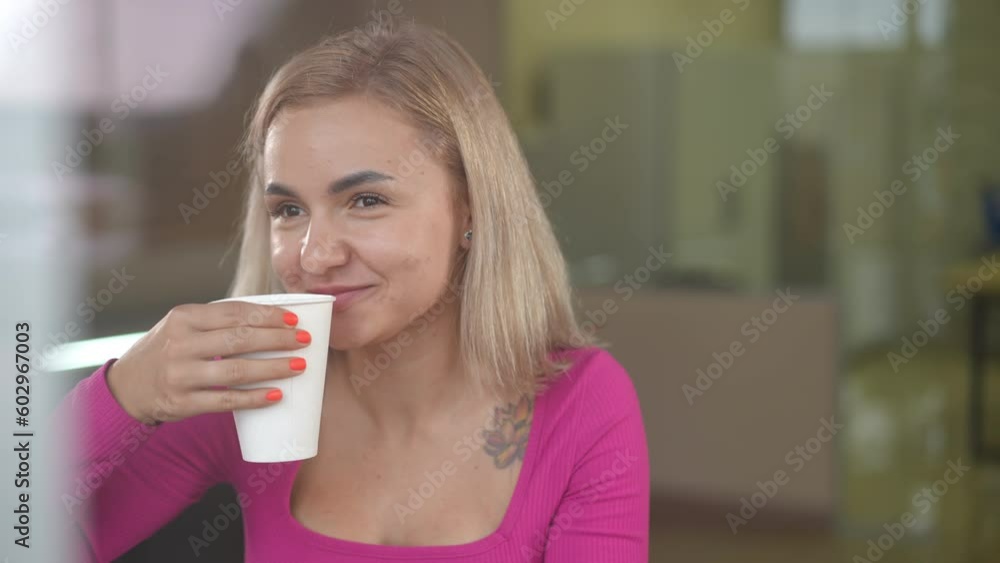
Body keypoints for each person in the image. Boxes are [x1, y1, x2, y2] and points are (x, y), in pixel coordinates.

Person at [57, 17, 649, 563]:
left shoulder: (581, 403)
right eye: (289, 209)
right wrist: (120, 392)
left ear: (471, 207)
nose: (315, 256)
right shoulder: (259, 386)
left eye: (366, 201)